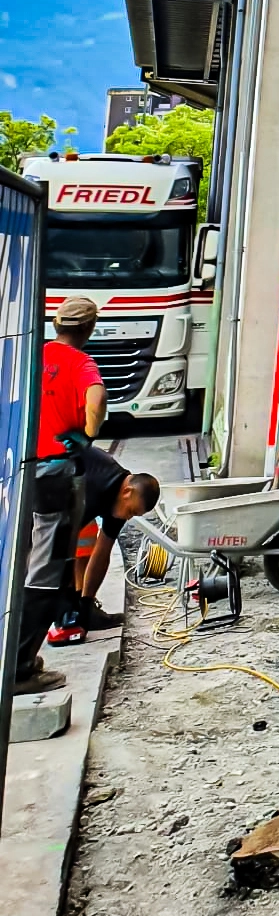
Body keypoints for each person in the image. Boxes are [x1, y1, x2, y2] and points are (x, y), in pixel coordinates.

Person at [16, 295, 107, 694]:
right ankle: (19, 669)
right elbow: (96, 399)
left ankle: (15, 656)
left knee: (22, 561)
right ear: (88, 328)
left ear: (57, 325)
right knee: (47, 570)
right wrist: (86, 434)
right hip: (55, 471)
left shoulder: (31, 355)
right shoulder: (79, 362)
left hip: (21, 468)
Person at [46, 447, 159, 646]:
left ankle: (83, 607)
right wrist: (67, 602)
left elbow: (103, 551)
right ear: (127, 492)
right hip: (46, 479)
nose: (128, 517)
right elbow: (61, 547)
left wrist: (86, 604)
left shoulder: (122, 501)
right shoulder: (94, 489)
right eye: (131, 512)